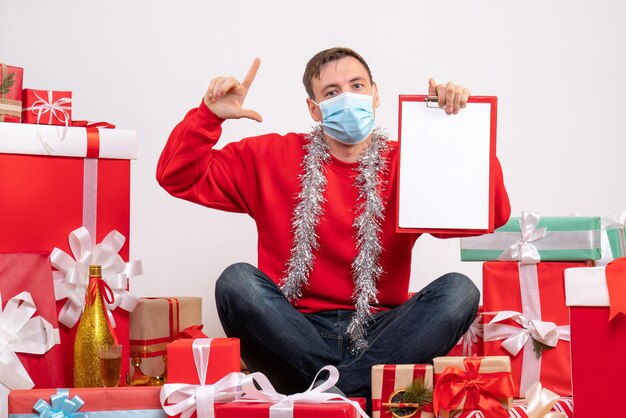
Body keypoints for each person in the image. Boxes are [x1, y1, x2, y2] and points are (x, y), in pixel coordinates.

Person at [157, 47, 510, 407]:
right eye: (331, 92)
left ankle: (331, 399)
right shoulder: (270, 156)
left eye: (357, 85)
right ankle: (355, 395)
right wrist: (208, 117)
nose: (347, 98)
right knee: (236, 281)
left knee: (460, 291)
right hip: (292, 331)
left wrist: (459, 127)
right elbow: (178, 176)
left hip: (381, 332)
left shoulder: (409, 163)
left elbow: (490, 213)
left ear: (375, 93)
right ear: (314, 108)